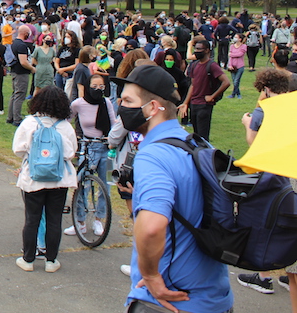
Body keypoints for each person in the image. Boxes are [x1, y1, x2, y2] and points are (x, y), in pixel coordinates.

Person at [114, 64, 233, 313]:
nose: (120, 106)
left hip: (169, 300)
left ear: (153, 108)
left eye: (127, 100)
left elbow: (151, 227)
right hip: (215, 295)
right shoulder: (198, 144)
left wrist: (150, 276)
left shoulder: (154, 155)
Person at [236, 67, 292, 295]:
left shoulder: (262, 111)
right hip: (290, 169)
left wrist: (247, 124)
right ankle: (290, 273)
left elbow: (254, 143)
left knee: (268, 223)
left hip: (270, 174)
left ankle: (263, 276)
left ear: (266, 89)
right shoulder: (291, 107)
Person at [12, 86, 77, 274]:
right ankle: (51, 260)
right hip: (59, 179)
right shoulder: (64, 126)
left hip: (33, 179)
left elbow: (18, 149)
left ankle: (28, 258)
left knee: (32, 219)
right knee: (54, 220)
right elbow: (71, 152)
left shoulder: (29, 123)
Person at [66, 74, 121, 238]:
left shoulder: (106, 103)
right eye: (95, 86)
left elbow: (113, 122)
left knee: (105, 185)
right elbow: (66, 119)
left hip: (105, 147)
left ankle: (99, 219)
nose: (98, 89)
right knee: (81, 184)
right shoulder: (79, 104)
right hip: (87, 147)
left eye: (101, 87)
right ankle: (80, 221)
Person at [179, 38, 229, 141]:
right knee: (196, 135)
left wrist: (212, 96)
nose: (196, 51)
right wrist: (186, 103)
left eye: (199, 49)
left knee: (202, 137)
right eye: (195, 49)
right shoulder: (195, 65)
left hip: (204, 105)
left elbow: (226, 82)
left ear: (207, 50)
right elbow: (192, 85)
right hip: (194, 103)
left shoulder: (212, 65)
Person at [8, 26, 34, 127]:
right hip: (21, 73)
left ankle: (10, 117)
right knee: (20, 95)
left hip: (14, 71)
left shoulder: (14, 43)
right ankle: (17, 119)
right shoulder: (22, 45)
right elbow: (23, 62)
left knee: (14, 94)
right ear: (25, 33)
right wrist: (32, 68)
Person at [227, 32, 247, 98]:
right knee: (234, 81)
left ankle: (234, 94)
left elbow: (240, 54)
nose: (234, 38)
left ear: (240, 39)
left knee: (236, 81)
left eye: (236, 37)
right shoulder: (232, 46)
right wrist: (229, 65)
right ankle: (237, 94)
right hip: (232, 66)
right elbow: (230, 57)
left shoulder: (244, 46)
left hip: (240, 66)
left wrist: (231, 54)